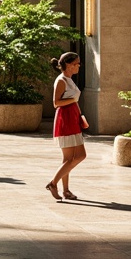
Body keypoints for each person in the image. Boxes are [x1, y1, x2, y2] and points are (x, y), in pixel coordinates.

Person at [47, 51, 88, 201]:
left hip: (72, 118)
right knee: (76, 157)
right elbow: (56, 103)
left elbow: (72, 101)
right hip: (65, 120)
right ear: (69, 65)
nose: (79, 66)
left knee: (70, 159)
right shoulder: (61, 80)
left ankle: (66, 190)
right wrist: (73, 100)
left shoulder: (69, 79)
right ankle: (53, 183)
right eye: (77, 63)